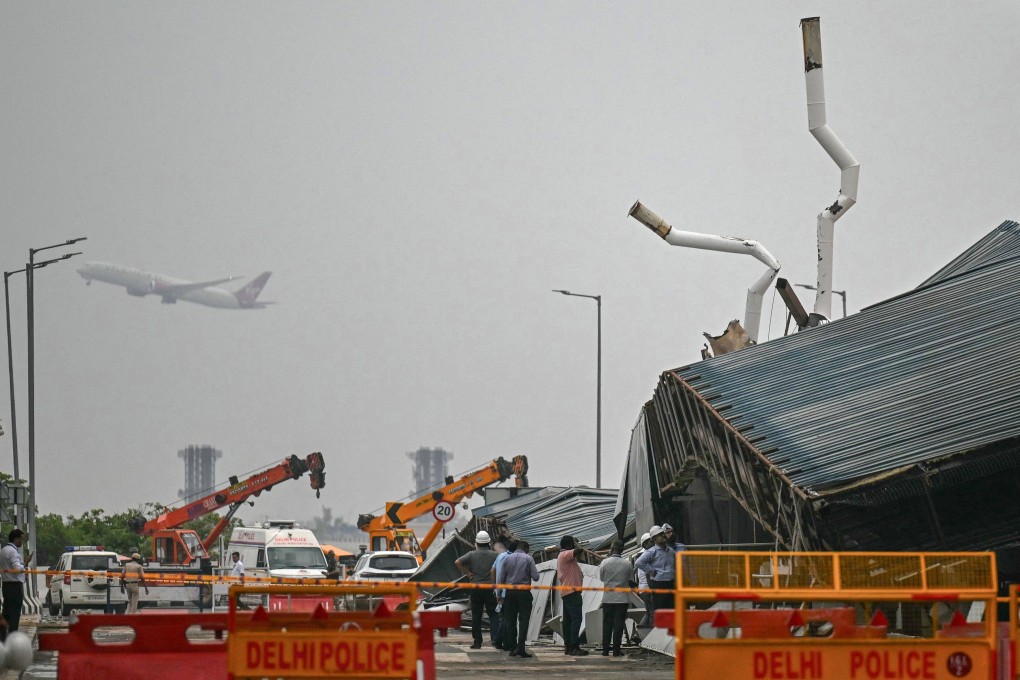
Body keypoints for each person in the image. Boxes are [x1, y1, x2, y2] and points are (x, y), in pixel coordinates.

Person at [454, 530, 499, 650]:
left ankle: (477, 642)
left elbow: (457, 562)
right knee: (494, 615)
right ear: (489, 543)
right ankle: (495, 640)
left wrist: (468, 573)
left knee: (476, 615)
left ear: (477, 543)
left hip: (476, 589)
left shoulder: (471, 554)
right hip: (490, 589)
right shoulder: (495, 555)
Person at [500, 540, 539, 658]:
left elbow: (501, 578)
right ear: (526, 549)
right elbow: (536, 577)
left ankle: (513, 647)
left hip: (510, 593)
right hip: (523, 593)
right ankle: (521, 648)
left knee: (510, 620)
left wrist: (499, 594)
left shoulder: (507, 559)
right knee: (524, 621)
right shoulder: (528, 559)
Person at [556, 534, 588, 656]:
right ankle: (574, 646)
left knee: (568, 620)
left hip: (567, 592)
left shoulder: (562, 556)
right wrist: (576, 543)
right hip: (572, 592)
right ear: (570, 545)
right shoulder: (565, 554)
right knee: (576, 619)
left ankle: (568, 646)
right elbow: (579, 550)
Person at [599, 539, 631, 657]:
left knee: (607, 623)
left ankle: (605, 650)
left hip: (608, 597)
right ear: (622, 549)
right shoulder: (627, 563)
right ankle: (616, 650)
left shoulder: (604, 563)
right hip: (622, 598)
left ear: (611, 549)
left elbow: (602, 578)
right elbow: (629, 578)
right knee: (619, 624)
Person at [634, 525, 677, 611]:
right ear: (654, 539)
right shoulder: (652, 552)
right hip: (659, 584)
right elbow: (639, 562)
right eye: (660, 535)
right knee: (661, 610)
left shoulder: (671, 551)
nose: (663, 535)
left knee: (673, 609)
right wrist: (652, 571)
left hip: (671, 583)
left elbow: (675, 565)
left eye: (663, 533)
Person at [0, 529, 32, 632]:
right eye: (21, 539)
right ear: (16, 538)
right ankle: (13, 637)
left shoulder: (3, 550)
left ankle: (3, 637)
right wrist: (25, 564)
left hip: (6, 585)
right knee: (14, 613)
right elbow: (17, 569)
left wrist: (24, 563)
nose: (22, 542)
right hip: (15, 587)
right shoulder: (13, 552)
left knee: (7, 612)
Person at [489, 539, 509, 649]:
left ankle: (500, 641)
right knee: (507, 619)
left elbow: (492, 571)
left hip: (500, 591)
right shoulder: (510, 557)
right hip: (508, 592)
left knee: (503, 618)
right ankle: (499, 641)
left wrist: (495, 588)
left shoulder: (500, 556)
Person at [633, 532, 654, 625]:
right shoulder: (647, 556)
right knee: (653, 613)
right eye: (651, 540)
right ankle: (651, 634)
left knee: (649, 613)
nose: (653, 542)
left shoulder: (641, 556)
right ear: (645, 543)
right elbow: (648, 575)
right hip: (648, 588)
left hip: (643, 589)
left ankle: (639, 632)